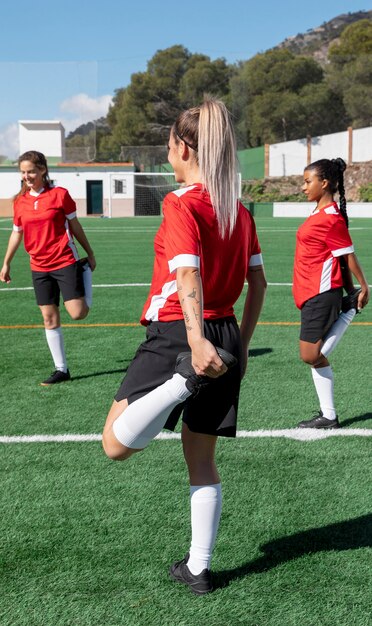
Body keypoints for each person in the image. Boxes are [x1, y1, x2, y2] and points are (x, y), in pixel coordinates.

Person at [102, 98, 267, 595]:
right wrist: (236, 345)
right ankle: (199, 569)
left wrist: (194, 346)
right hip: (225, 337)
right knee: (201, 460)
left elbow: (187, 271)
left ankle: (180, 383)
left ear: (185, 148)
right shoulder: (238, 209)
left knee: (114, 445)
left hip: (180, 335)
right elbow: (258, 285)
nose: (167, 155)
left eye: (170, 146)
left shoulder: (181, 202)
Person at [0, 150, 96, 385]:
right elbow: (16, 234)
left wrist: (89, 253)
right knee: (49, 318)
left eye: (31, 171)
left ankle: (82, 272)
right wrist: (6, 263)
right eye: (23, 172)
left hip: (64, 259)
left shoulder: (60, 195)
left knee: (78, 313)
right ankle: (61, 369)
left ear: (42, 170)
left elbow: (75, 225)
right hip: (39, 266)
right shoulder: (20, 202)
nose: (27, 176)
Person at [293, 157, 369, 429]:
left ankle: (348, 312)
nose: (303, 187)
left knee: (310, 356)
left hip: (322, 292)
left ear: (324, 183)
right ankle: (329, 417)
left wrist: (362, 287)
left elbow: (347, 255)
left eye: (307, 181)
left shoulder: (331, 217)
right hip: (311, 292)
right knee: (311, 356)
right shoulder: (318, 213)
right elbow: (338, 257)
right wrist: (351, 289)